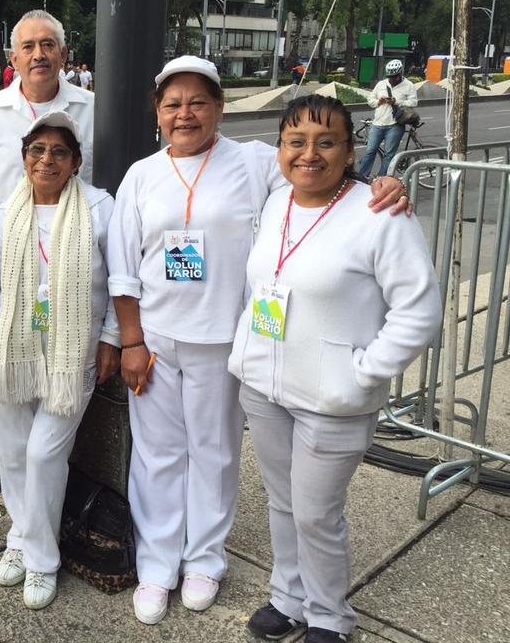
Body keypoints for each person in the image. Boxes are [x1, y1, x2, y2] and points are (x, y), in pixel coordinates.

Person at [106, 56, 410, 626]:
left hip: (223, 340)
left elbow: (318, 181)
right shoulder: (141, 175)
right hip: (157, 340)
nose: (185, 114)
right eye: (173, 104)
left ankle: (204, 560)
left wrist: (380, 183)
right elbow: (124, 269)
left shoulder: (251, 163)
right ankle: (157, 563)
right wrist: (131, 340)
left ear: (220, 108)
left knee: (215, 453)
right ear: (158, 112)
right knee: (156, 456)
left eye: (199, 102)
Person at [230, 95, 440, 643]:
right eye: (295, 141)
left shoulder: (377, 213)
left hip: (333, 400)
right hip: (264, 387)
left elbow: (419, 309)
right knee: (282, 502)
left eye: (327, 142)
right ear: (279, 149)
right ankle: (288, 595)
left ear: (351, 150)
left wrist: (364, 370)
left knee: (317, 513)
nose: (310, 154)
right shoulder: (277, 201)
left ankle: (329, 616)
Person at [0, 110, 120, 610]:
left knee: (45, 453)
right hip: (15, 354)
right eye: (37, 150)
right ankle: (20, 539)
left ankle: (42, 560)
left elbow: (120, 284)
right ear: (25, 157)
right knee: (14, 451)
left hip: (73, 359)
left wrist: (112, 337)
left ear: (75, 162)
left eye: (59, 152)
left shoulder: (99, 207)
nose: (46, 160)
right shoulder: (9, 212)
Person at [0, 10, 94, 251]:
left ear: (62, 54)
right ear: (14, 59)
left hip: (74, 252)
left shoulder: (93, 110)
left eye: (47, 45)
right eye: (28, 47)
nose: (38, 55)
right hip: (5, 252)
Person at [358, 59, 418, 179]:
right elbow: (370, 99)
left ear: (400, 74)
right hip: (378, 123)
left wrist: (396, 101)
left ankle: (382, 178)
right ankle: (362, 177)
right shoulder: (381, 84)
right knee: (370, 151)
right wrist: (378, 101)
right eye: (390, 77)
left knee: (388, 155)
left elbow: (413, 102)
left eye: (395, 77)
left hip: (395, 124)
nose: (392, 80)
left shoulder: (409, 85)